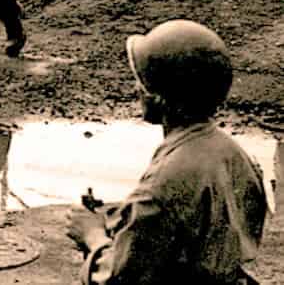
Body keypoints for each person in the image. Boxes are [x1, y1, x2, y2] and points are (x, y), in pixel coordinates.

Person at [67, 20, 268, 283]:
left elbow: (118, 279)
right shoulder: (234, 153)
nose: (136, 89)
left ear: (159, 98)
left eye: (143, 83)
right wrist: (126, 218)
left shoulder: (163, 182)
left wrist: (92, 236)